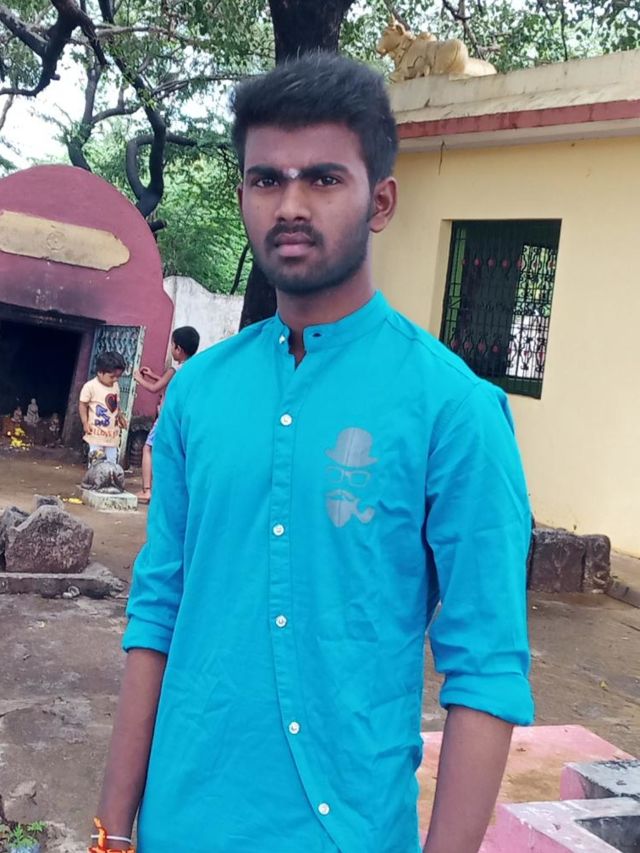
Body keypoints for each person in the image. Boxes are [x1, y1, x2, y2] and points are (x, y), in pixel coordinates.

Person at [91, 54, 533, 853]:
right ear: (243, 195)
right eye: (266, 179)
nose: (290, 205)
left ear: (380, 201)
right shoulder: (199, 394)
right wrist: (112, 833)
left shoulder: (455, 410)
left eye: (324, 179)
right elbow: (157, 610)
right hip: (178, 827)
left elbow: (487, 668)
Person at [132, 326, 200, 504]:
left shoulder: (174, 370)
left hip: (165, 418)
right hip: (181, 419)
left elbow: (155, 389)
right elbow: (167, 383)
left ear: (178, 349)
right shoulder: (193, 368)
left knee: (148, 448)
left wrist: (139, 379)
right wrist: (154, 376)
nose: (171, 348)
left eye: (172, 345)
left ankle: (147, 490)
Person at [79, 351, 127, 465]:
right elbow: (83, 405)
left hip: (112, 435)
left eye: (118, 376)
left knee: (111, 463)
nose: (115, 379)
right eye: (112, 377)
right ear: (100, 372)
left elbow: (116, 405)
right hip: (96, 433)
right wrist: (85, 422)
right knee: (96, 463)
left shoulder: (115, 386)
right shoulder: (90, 386)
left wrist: (120, 417)